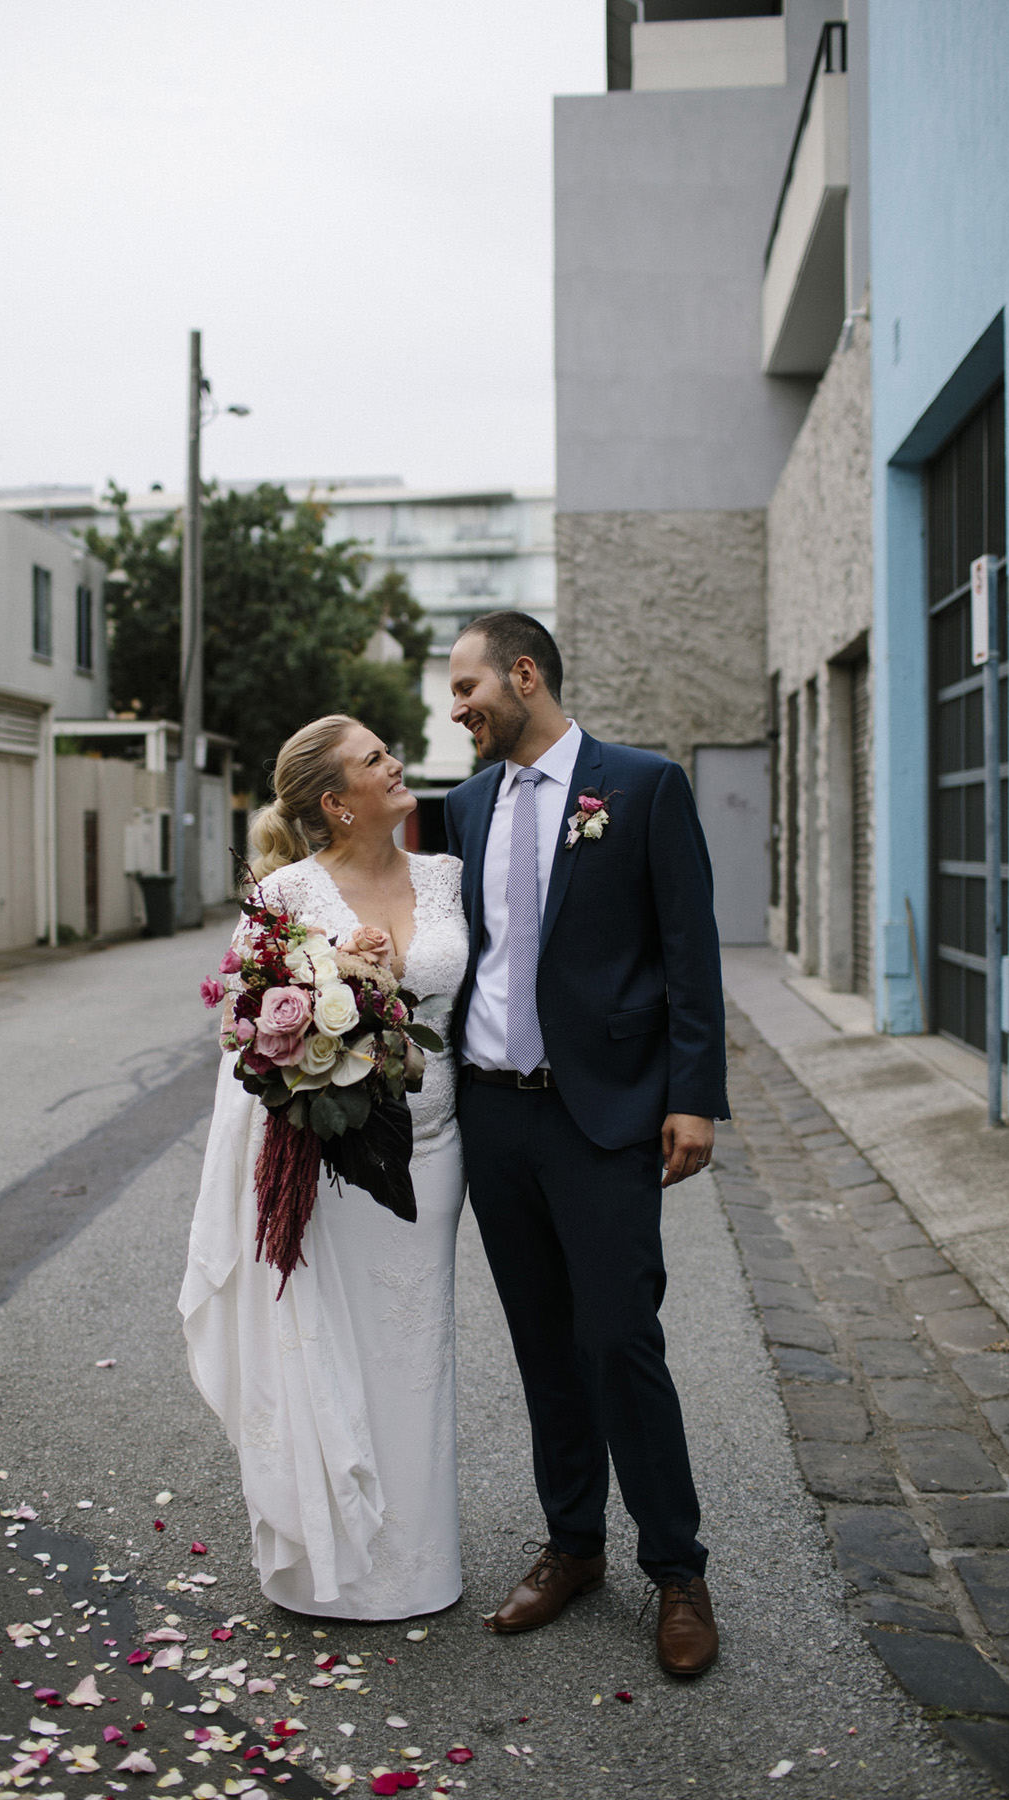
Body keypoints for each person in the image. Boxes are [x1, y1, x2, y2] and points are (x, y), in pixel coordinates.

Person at [445, 613, 728, 1676]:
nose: (459, 707)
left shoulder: (642, 786)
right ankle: (573, 1546)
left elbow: (688, 949)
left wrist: (693, 1095)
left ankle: (678, 1570)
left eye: (470, 685)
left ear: (525, 675)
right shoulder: (465, 804)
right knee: (543, 1346)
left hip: (601, 1113)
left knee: (619, 1339)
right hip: (493, 1115)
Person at [179, 715, 468, 1619]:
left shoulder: (448, 877)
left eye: (390, 751)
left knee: (419, 1348)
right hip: (335, 1162)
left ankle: (420, 1563)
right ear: (336, 803)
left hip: (443, 1146)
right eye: (376, 759)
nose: (397, 764)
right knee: (337, 1344)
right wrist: (321, 1018)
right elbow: (251, 1032)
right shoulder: (289, 894)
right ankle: (332, 1556)